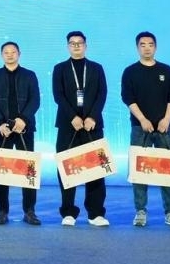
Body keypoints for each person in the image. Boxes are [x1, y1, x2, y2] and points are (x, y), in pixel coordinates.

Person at [121, 32, 170, 228]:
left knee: (168, 170)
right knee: (139, 170)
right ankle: (140, 211)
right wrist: (142, 119)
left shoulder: (166, 70)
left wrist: (166, 119)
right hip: (139, 127)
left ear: (155, 47)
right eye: (142, 45)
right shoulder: (130, 71)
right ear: (137, 48)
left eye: (150, 44)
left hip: (165, 128)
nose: (147, 48)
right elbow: (128, 98)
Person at [52, 31, 110, 227]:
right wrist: (73, 117)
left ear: (86, 45)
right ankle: (68, 211)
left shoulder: (96, 68)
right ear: (68, 46)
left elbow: (102, 94)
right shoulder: (60, 68)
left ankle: (95, 213)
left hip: (92, 125)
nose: (76, 46)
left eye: (80, 43)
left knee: (96, 169)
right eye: (72, 43)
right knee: (67, 168)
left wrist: (92, 116)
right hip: (68, 125)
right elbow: (58, 95)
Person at [0, 41, 41, 225]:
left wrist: (23, 119)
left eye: (13, 52)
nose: (10, 55)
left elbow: (35, 100)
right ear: (2, 55)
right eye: (6, 52)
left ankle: (29, 211)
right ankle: (2, 211)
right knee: (1, 172)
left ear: (19, 54)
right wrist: (0, 123)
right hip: (3, 130)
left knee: (28, 171)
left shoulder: (29, 75)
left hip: (24, 127)